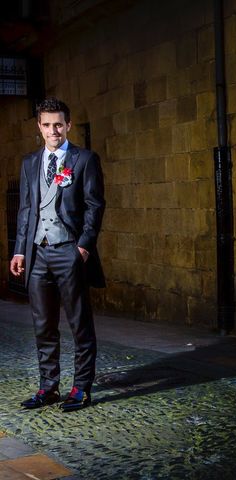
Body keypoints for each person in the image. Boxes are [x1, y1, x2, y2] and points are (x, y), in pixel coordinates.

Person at [9, 97, 105, 411]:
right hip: (37, 254)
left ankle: (81, 388)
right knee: (43, 325)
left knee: (79, 324)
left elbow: (94, 206)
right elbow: (25, 210)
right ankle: (49, 388)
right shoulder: (30, 162)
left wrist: (83, 246)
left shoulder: (84, 159)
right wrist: (20, 251)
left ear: (69, 125)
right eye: (47, 125)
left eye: (59, 124)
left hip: (69, 252)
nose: (54, 131)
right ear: (39, 127)